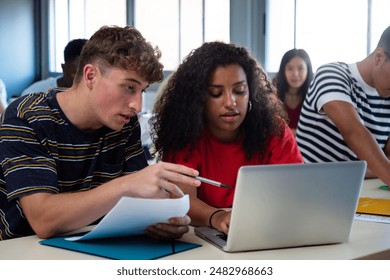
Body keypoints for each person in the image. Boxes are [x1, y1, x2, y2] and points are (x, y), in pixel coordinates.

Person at [0, 25, 202, 241]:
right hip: (22, 250)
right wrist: (127, 185)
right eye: (128, 87)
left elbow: (138, 202)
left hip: (96, 243)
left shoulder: (125, 124)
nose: (137, 105)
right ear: (90, 76)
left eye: (142, 90)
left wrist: (163, 218)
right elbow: (44, 220)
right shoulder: (26, 116)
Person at [150, 42, 303, 235]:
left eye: (239, 91)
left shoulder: (274, 129)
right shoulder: (185, 134)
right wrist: (215, 216)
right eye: (216, 93)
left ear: (251, 92)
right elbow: (181, 200)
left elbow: (295, 191)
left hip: (267, 231)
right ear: (199, 98)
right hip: (205, 238)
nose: (231, 102)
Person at [296, 25, 390, 186]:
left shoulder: (386, 94)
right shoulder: (331, 74)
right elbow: (354, 132)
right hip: (310, 189)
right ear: (379, 56)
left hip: (357, 193)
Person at [21, 39, 88, 96]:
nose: (83, 79)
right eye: (76, 73)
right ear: (64, 68)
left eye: (88, 73)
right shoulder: (35, 94)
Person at [273, 49, 313, 136]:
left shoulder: (314, 96)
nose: (295, 73)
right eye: (290, 68)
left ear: (308, 70)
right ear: (283, 70)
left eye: (301, 68)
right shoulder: (272, 95)